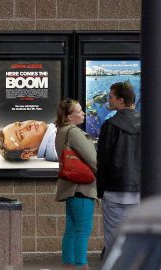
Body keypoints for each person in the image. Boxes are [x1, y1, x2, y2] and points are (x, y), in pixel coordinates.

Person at [96, 81, 141, 254]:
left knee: (114, 238)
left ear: (121, 100)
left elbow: (104, 160)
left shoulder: (110, 125)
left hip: (114, 189)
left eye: (111, 97)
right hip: (139, 190)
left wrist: (100, 191)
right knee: (136, 236)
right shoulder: (148, 124)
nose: (108, 100)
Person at [55, 98, 97, 270]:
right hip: (82, 186)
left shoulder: (61, 131)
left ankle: (69, 264)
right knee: (84, 229)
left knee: (72, 228)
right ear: (69, 116)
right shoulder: (74, 132)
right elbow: (93, 159)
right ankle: (81, 265)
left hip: (69, 186)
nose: (83, 114)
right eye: (79, 111)